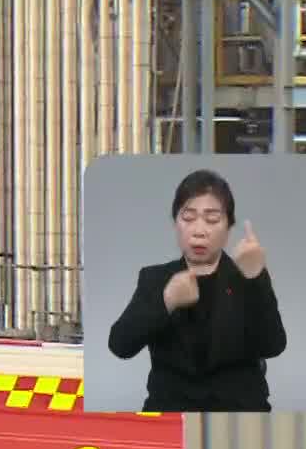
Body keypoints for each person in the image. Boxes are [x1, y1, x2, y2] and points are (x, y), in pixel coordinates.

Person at [106, 168, 287, 412]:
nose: (199, 230)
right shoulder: (156, 278)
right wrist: (167, 301)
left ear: (228, 227)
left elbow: (273, 345)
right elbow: (120, 345)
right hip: (171, 417)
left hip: (239, 418)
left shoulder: (246, 275)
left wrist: (255, 278)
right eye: (188, 218)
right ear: (175, 222)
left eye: (212, 219)